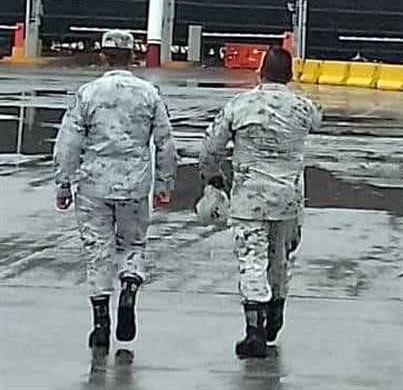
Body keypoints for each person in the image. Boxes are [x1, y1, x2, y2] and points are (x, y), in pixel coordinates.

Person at [53, 29, 177, 348]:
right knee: (133, 244)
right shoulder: (149, 93)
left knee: (98, 250)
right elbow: (164, 143)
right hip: (134, 185)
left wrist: (63, 183)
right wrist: (164, 184)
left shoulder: (88, 93)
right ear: (133, 57)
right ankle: (130, 288)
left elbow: (69, 142)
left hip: (94, 184)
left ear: (104, 55)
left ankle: (100, 324)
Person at [199, 46, 322, 358]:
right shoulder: (303, 107)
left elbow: (211, 146)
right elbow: (317, 121)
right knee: (279, 257)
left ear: (260, 71)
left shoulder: (240, 104)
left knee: (252, 259)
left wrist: (213, 177)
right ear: (290, 75)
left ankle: (254, 329)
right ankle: (276, 311)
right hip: (288, 199)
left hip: (249, 198)